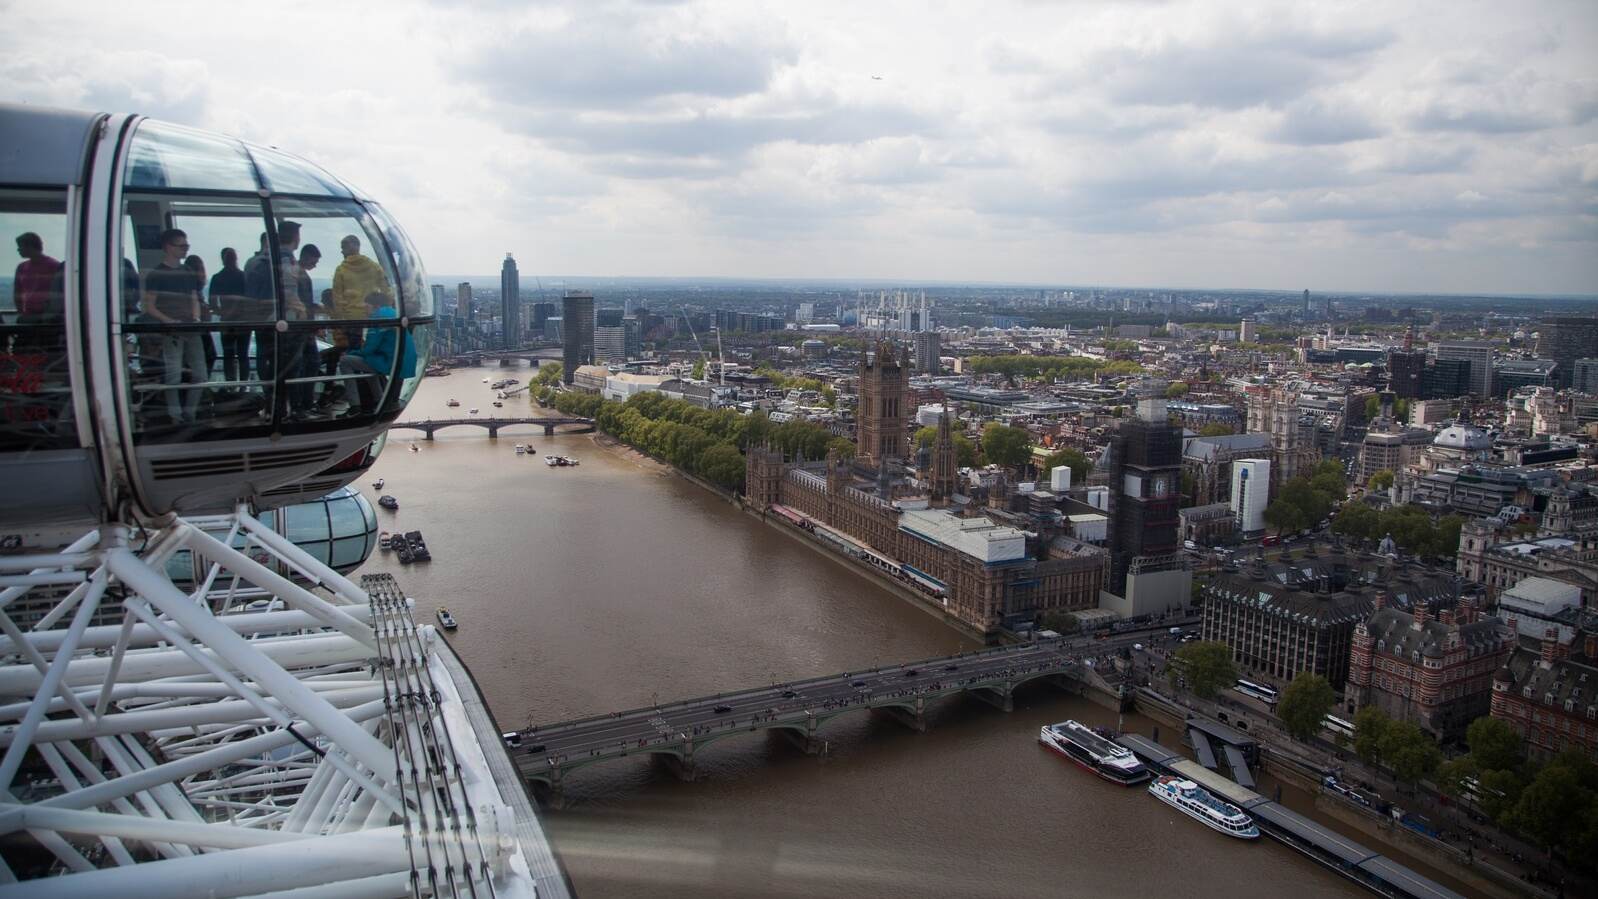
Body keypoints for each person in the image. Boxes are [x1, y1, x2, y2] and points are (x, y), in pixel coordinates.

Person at [142, 229, 207, 425]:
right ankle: (177, 416)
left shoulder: (187, 272)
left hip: (189, 329)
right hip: (171, 331)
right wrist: (168, 320)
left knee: (201, 375)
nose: (186, 250)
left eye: (187, 246)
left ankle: (189, 414)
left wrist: (195, 318)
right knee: (174, 376)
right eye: (182, 246)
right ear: (168, 247)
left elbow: (194, 298)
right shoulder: (156, 274)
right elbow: (149, 306)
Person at [334, 291, 415, 414]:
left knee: (346, 361)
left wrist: (353, 352)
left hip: (392, 362)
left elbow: (369, 348)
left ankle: (355, 405)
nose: (365, 310)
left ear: (375, 306)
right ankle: (378, 399)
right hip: (402, 361)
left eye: (367, 306)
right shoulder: (393, 313)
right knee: (369, 364)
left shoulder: (378, 317)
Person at [327, 234, 391, 374]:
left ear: (352, 247)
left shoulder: (341, 270)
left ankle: (355, 379)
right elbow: (387, 291)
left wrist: (340, 320)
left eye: (343, 248)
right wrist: (388, 311)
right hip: (373, 316)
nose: (342, 251)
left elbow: (336, 298)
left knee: (352, 351)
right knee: (372, 348)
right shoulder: (374, 267)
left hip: (352, 319)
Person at [11, 232, 63, 353]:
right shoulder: (22, 267)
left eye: (20, 247)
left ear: (30, 246)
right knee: (21, 350)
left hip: (47, 318)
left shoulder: (53, 266)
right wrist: (21, 312)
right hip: (28, 316)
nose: (18, 250)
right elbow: (17, 291)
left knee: (44, 350)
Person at [209, 247, 251, 389]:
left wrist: (223, 312)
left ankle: (230, 385)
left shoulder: (217, 278)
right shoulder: (244, 277)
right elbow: (250, 299)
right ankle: (244, 386)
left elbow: (212, 303)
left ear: (222, 259)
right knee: (243, 355)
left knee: (228, 355)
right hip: (244, 321)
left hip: (226, 321)